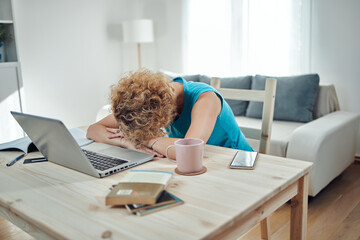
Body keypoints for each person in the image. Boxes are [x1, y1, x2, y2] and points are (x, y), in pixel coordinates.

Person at [86, 69, 252, 159]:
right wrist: (126, 142)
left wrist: (143, 139)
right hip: (204, 163)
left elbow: (189, 151)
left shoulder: (205, 99)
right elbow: (93, 129)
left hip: (235, 163)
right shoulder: (147, 100)